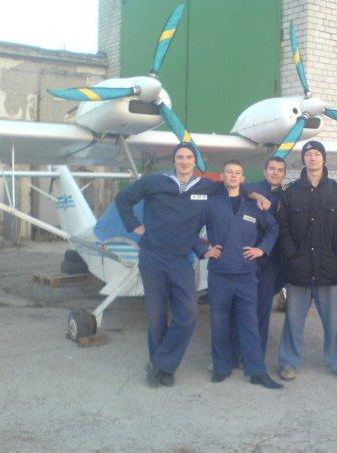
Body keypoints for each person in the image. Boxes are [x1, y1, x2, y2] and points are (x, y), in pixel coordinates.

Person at [115, 143, 269, 388]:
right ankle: (162, 370)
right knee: (156, 316)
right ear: (174, 160)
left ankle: (161, 363)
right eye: (180, 157)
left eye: (189, 157)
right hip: (152, 256)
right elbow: (123, 198)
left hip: (180, 259)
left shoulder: (205, 186)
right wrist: (134, 226)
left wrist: (257, 195)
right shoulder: (155, 182)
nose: (185, 161)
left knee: (188, 314)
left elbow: (234, 184)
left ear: (195, 162)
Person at [194, 160, 283, 389]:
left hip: (246, 275)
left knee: (249, 323)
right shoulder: (211, 204)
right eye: (229, 172)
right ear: (222, 176)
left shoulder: (253, 205)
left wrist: (262, 249)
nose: (233, 175)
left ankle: (256, 371)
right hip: (220, 274)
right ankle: (221, 367)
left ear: (242, 179)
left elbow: (273, 228)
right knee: (219, 323)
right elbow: (191, 228)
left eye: (237, 173)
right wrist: (204, 251)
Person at [277, 140, 337, 381]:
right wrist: (291, 254)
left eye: (316, 154)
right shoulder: (290, 192)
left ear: (324, 159)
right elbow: (283, 227)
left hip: (328, 267)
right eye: (308, 154)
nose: (312, 157)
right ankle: (288, 362)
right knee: (293, 320)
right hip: (299, 268)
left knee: (333, 321)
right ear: (303, 159)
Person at [232, 157, 288, 359]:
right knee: (240, 307)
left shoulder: (287, 196)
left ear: (284, 174)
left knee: (262, 310)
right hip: (246, 257)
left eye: (279, 170)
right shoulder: (252, 188)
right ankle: (235, 353)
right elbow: (242, 187)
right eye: (272, 168)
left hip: (271, 261)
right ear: (265, 171)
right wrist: (258, 196)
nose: (275, 172)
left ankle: (256, 355)